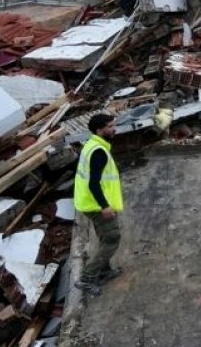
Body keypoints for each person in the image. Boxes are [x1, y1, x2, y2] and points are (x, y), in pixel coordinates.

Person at [73, 114, 124, 296]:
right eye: (110, 126)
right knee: (112, 238)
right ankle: (86, 279)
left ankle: (105, 271)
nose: (114, 129)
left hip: (87, 202)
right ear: (99, 130)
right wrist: (105, 206)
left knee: (104, 236)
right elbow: (93, 183)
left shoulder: (92, 144)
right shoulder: (99, 152)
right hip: (95, 205)